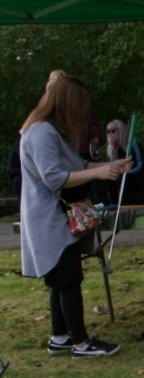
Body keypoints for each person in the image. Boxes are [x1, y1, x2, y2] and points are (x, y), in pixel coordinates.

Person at [18, 74, 129, 358]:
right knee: (68, 279)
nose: (83, 112)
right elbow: (53, 177)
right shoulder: (41, 132)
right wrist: (97, 172)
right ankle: (81, 343)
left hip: (55, 218)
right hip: (50, 218)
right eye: (80, 105)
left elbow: (76, 164)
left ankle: (60, 337)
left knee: (60, 279)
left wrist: (110, 165)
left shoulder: (52, 131)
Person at [92, 118, 144, 205]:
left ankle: (123, 204)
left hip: (137, 175)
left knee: (122, 178)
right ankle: (110, 204)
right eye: (108, 132)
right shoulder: (113, 149)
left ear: (120, 131)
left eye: (113, 131)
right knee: (104, 177)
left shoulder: (132, 143)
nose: (111, 134)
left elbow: (140, 165)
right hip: (122, 174)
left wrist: (128, 172)